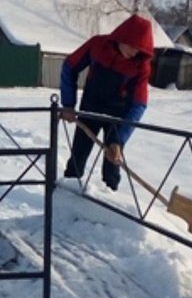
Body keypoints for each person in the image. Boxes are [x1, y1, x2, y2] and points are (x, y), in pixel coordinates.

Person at [60, 13, 155, 191]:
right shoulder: (97, 45)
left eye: (139, 49)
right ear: (122, 37)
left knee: (112, 165)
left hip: (117, 119)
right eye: (132, 45)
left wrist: (118, 140)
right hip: (89, 111)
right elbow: (69, 67)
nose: (135, 52)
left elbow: (139, 104)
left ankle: (110, 204)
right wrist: (68, 104)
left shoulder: (141, 65)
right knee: (77, 159)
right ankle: (66, 199)